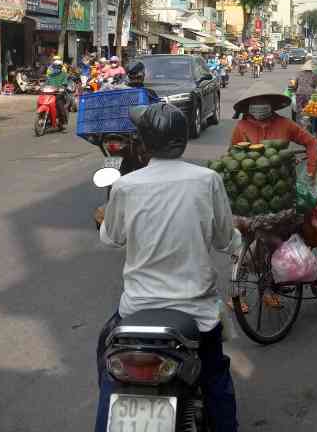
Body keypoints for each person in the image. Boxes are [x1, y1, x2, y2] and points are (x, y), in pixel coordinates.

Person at [93, 103, 240, 431]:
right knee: (215, 376)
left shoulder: (126, 186)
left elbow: (112, 238)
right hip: (198, 314)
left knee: (110, 371)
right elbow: (224, 239)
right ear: (183, 139)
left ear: (144, 144)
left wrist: (105, 220)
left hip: (138, 311)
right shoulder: (208, 180)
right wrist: (237, 240)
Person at [231, 93, 317, 178]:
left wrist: (311, 170)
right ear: (249, 106)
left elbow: (311, 142)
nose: (259, 106)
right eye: (255, 103)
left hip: (282, 179)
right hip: (251, 181)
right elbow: (233, 154)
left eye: (263, 102)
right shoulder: (241, 126)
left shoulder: (285, 124)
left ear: (271, 104)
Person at [45, 58, 71, 124]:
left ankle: (63, 121)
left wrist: (63, 86)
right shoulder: (50, 75)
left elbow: (65, 82)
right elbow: (46, 83)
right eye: (54, 66)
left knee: (59, 105)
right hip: (50, 93)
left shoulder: (64, 74)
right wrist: (41, 87)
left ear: (60, 67)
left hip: (59, 94)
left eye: (57, 67)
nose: (55, 68)